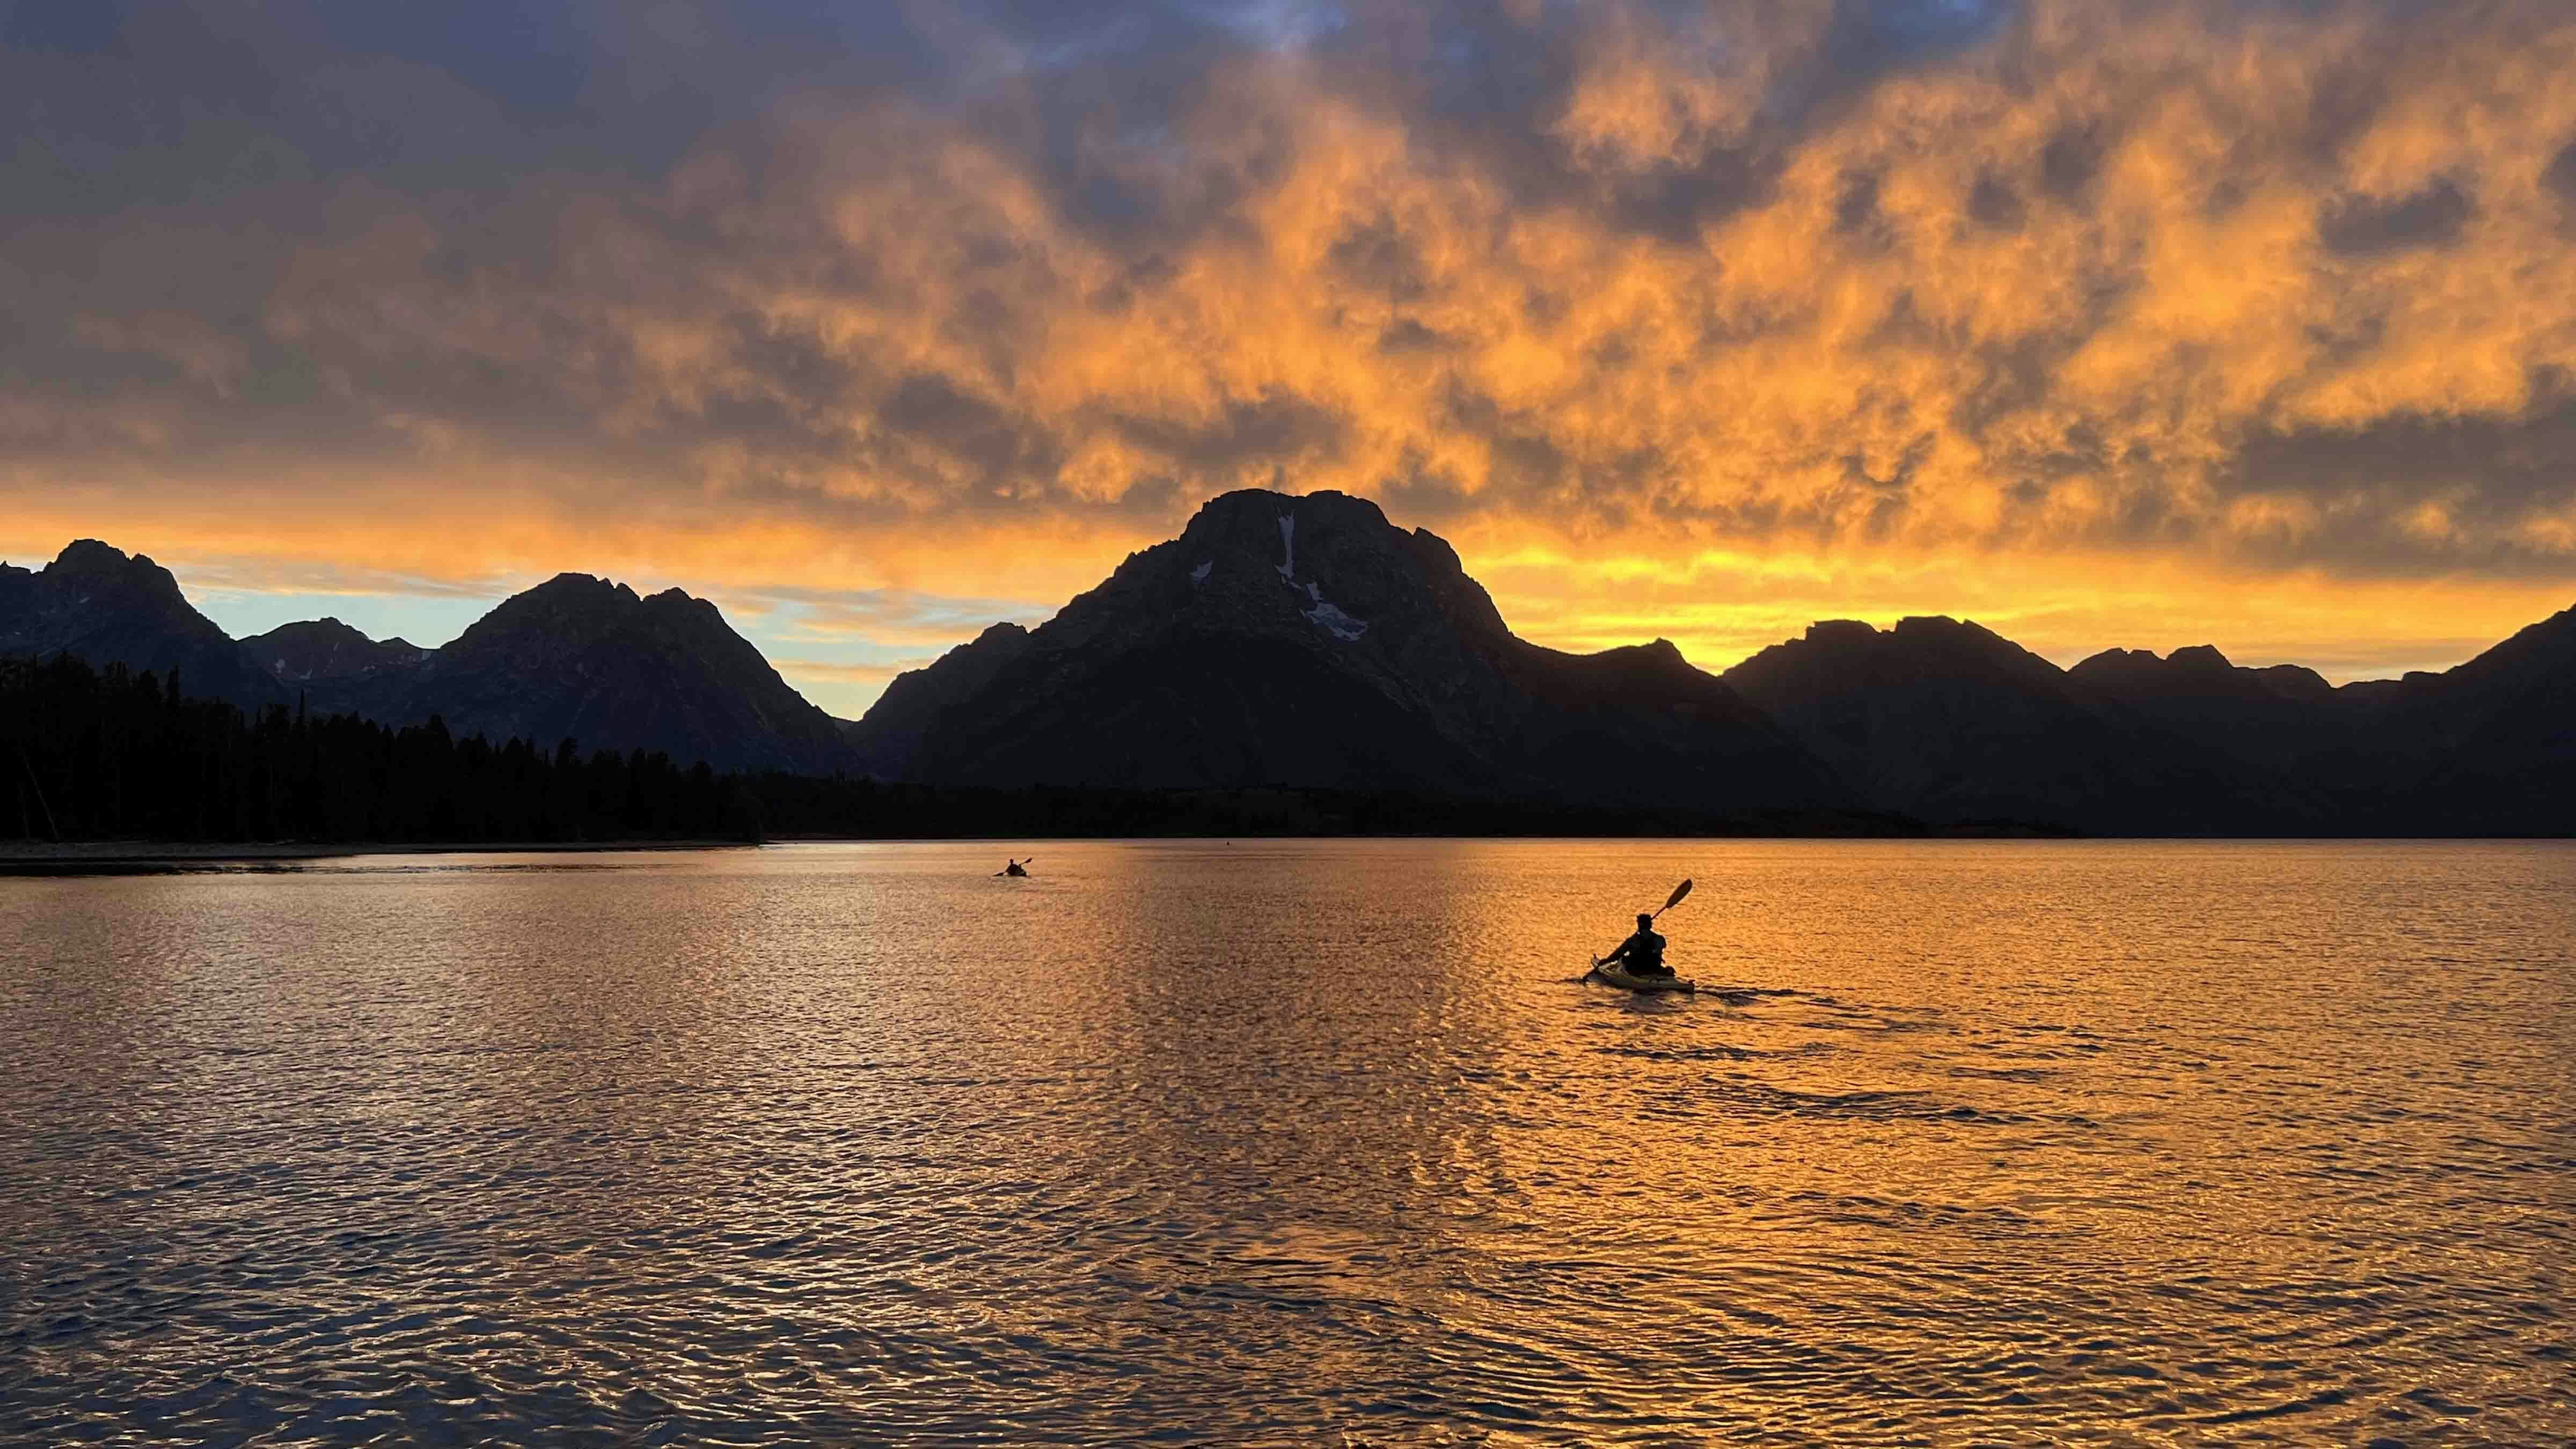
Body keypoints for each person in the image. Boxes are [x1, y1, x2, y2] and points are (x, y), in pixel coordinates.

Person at [1599, 912, 1671, 977]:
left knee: (1624, 960)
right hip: (1654, 968)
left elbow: (1618, 954)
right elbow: (1660, 949)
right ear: (1650, 926)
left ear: (1639, 925)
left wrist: (1606, 961)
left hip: (1637, 970)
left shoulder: (1633, 940)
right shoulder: (1660, 939)